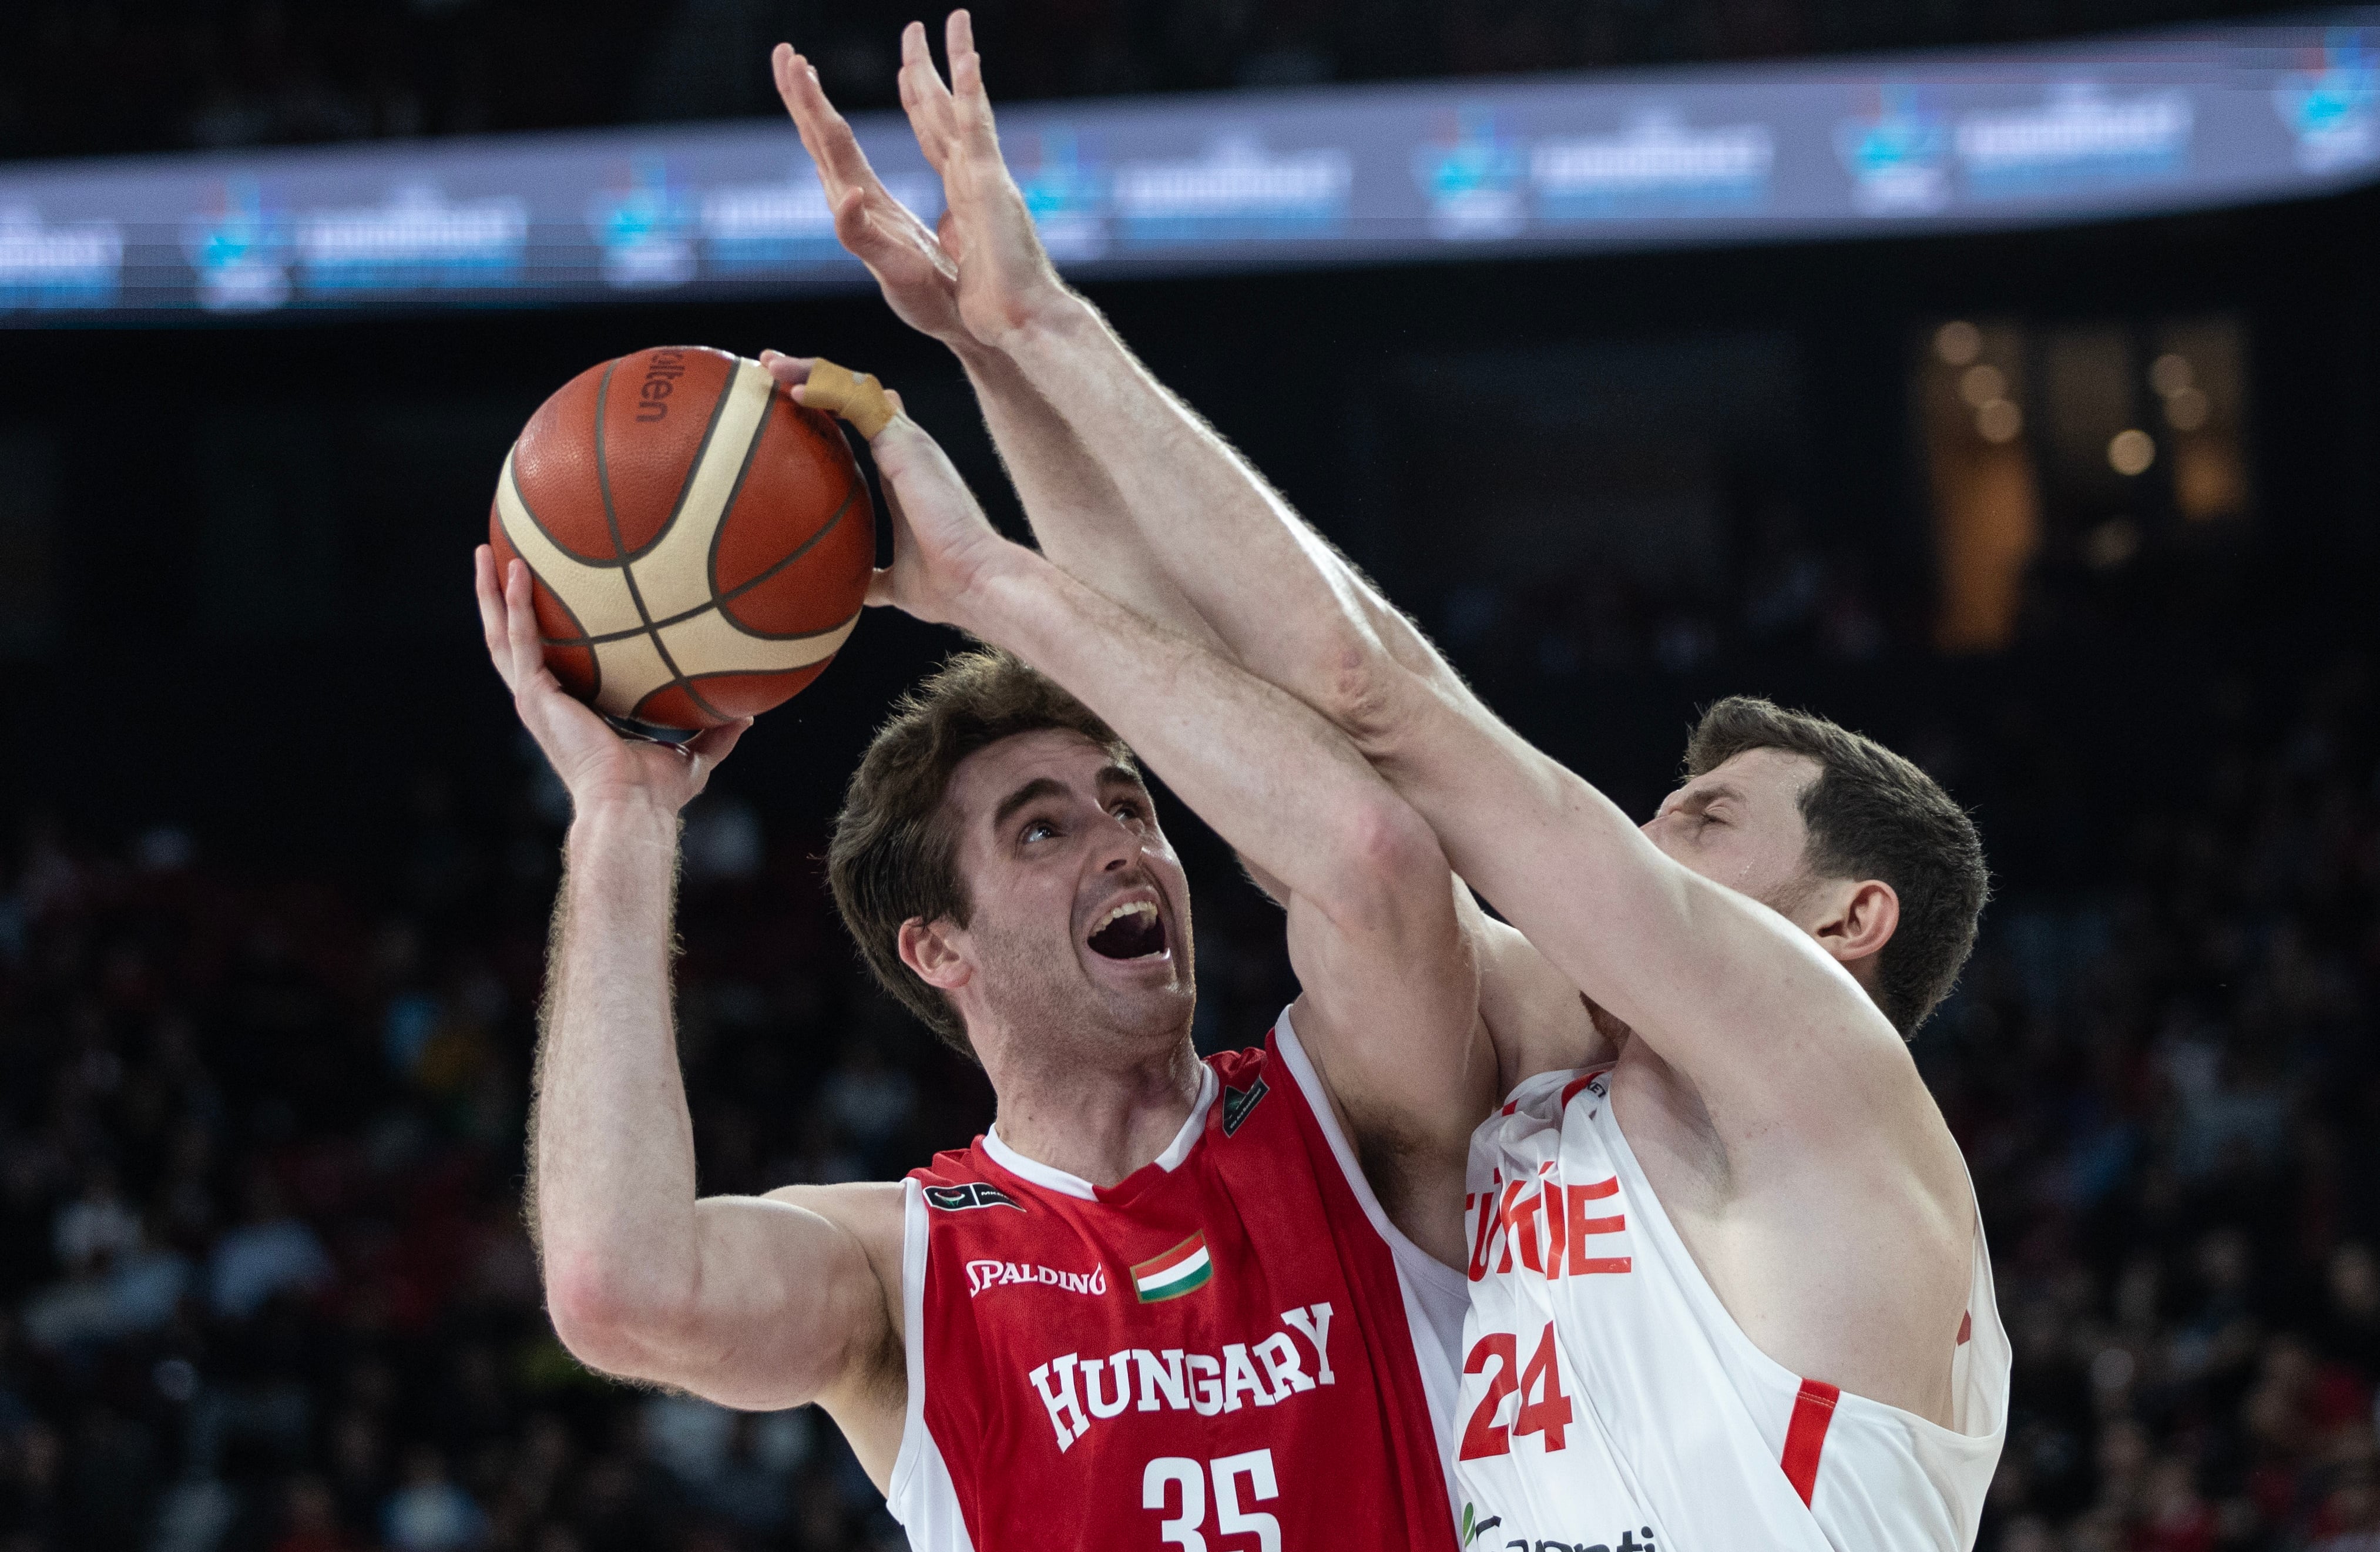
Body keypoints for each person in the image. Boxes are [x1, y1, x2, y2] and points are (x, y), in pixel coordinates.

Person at [768, 16, 2009, 1551]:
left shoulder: (1815, 1082)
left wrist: (1054, 344)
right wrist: (986, 353)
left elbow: (1374, 698)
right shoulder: (1559, 1068)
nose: (1639, 841)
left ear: (1842, 922)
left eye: (1701, 825)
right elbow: (1269, 773)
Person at [472, 370, 1497, 1544]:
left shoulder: (1344, 1120)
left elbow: (1376, 865)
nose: (1123, 845)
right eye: (1044, 829)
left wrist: (996, 590)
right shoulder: (906, 1267)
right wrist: (622, 815)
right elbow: (618, 1289)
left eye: (1130, 807)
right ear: (937, 946)